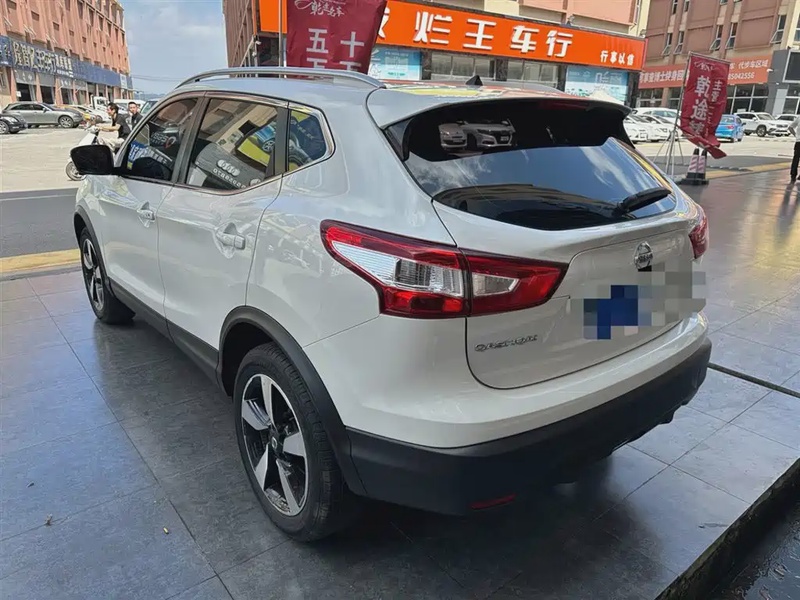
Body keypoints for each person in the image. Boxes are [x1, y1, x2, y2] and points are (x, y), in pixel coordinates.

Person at [790, 113, 800, 182]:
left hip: (798, 142)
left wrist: (796, 136)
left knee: (796, 158)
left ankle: (793, 175)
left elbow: (790, 128)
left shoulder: (799, 117)